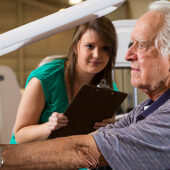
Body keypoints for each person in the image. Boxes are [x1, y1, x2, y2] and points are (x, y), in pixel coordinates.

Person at [0, 0, 170, 169]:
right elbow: (102, 138)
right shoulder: (146, 107)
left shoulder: (111, 91)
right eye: (90, 46)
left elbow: (85, 151)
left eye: (142, 45)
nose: (127, 55)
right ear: (76, 47)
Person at [10, 16, 118, 145]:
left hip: (73, 158)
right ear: (75, 47)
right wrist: (48, 127)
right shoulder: (44, 78)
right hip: (31, 160)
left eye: (105, 48)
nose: (97, 55)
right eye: (90, 46)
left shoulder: (109, 89)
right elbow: (20, 135)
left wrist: (109, 126)